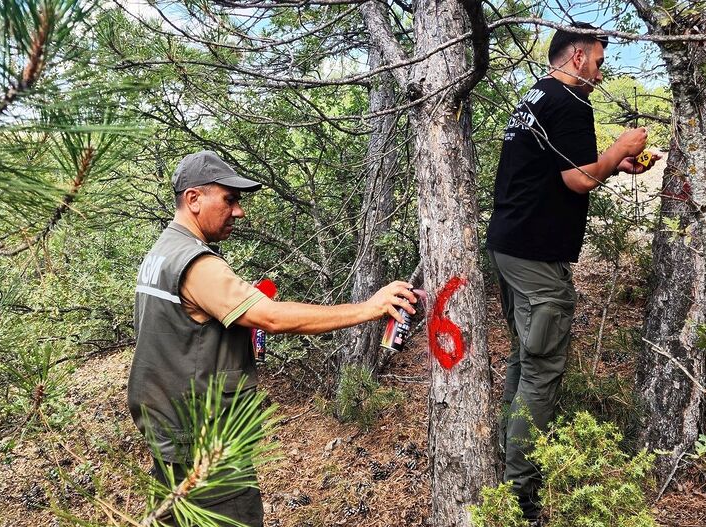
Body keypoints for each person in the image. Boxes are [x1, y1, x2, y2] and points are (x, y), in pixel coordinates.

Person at [128, 150, 417, 526]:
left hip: (170, 433)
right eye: (229, 199)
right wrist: (369, 308)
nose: (239, 211)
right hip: (205, 442)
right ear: (194, 199)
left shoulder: (162, 252)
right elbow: (272, 318)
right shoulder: (197, 263)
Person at [484, 22, 659, 521]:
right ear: (579, 56)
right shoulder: (572, 103)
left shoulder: (534, 97)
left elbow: (559, 171)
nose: (601, 74)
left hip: (509, 246)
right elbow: (578, 179)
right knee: (541, 371)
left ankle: (506, 464)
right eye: (600, 63)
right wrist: (621, 147)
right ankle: (520, 498)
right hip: (537, 256)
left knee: (524, 357)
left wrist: (614, 164)